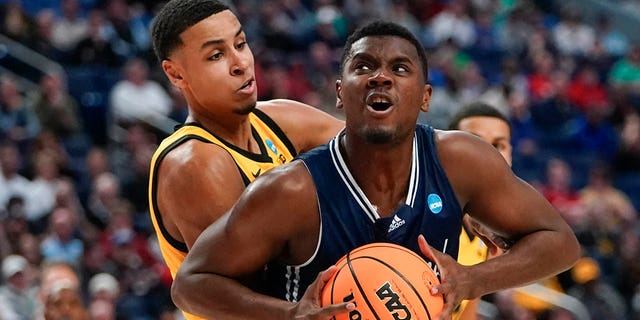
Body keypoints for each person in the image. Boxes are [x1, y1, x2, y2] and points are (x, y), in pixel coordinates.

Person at [172, 20, 580, 319]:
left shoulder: (460, 161)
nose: (381, 77)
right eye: (364, 66)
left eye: (400, 69)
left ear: (424, 98)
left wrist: (475, 279)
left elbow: (560, 242)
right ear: (338, 93)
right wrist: (289, 314)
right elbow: (190, 284)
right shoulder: (293, 191)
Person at [148, 1, 343, 319]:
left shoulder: (277, 117)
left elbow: (386, 152)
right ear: (175, 74)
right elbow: (263, 287)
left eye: (240, 44)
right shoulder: (194, 164)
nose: (240, 63)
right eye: (216, 55)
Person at [447, 102, 513, 320]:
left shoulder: (490, 235)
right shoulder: (414, 207)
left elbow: (467, 309)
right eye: (474, 141)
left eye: (498, 145)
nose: (487, 153)